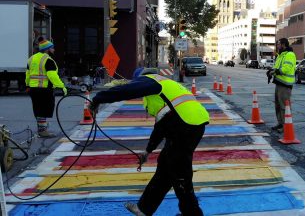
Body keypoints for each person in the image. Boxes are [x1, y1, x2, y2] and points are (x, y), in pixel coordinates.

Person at [89, 67, 209, 216]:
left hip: (184, 127)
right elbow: (162, 125)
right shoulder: (165, 87)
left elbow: (126, 90)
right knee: (165, 167)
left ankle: (192, 214)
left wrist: (98, 98)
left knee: (180, 174)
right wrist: (148, 150)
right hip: (189, 124)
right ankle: (144, 209)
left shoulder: (151, 81)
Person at [25, 39, 67, 138]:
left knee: (38, 108)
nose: (54, 50)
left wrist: (27, 85)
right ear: (47, 49)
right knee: (44, 109)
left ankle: (41, 128)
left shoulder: (31, 58)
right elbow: (52, 76)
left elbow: (27, 74)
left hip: (33, 89)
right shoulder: (47, 60)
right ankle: (43, 131)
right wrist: (62, 86)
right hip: (44, 89)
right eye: (52, 48)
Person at [267, 38, 297, 133]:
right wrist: (271, 71)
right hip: (279, 83)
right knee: (278, 105)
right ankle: (280, 123)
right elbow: (277, 67)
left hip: (285, 84)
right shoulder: (280, 55)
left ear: (283, 44)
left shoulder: (289, 55)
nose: (277, 45)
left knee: (284, 106)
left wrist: (275, 72)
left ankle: (286, 126)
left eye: (278, 44)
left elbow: (286, 68)